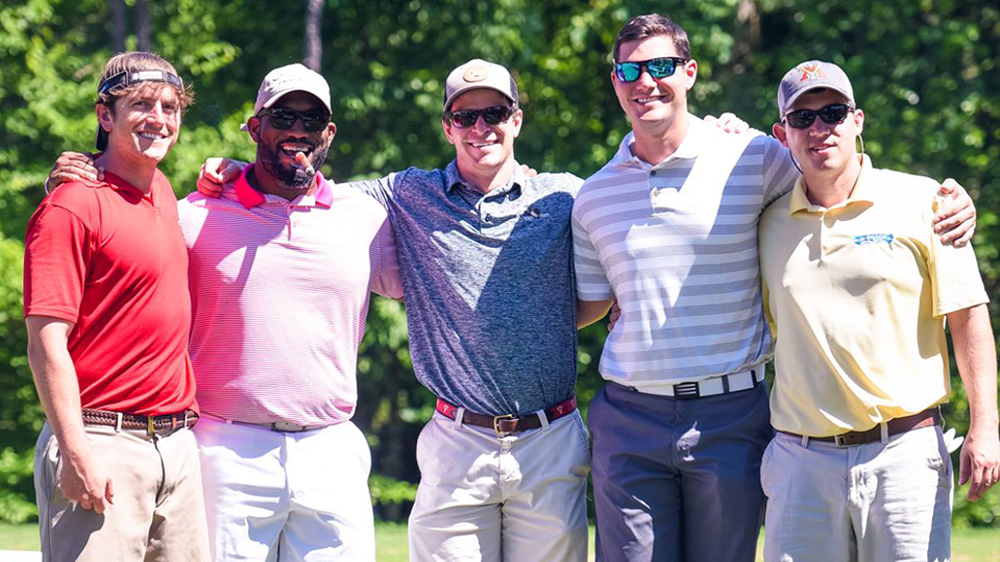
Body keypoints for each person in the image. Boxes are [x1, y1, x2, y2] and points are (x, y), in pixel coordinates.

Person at [570, 14, 978, 562]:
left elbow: (842, 179)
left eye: (661, 66)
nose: (646, 81)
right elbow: (594, 302)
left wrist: (951, 201)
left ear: (689, 72)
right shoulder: (593, 195)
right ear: (615, 81)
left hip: (734, 411)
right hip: (636, 414)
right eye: (630, 70)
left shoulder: (754, 158)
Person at [195, 58, 590, 562]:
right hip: (456, 441)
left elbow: (629, 228)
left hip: (551, 436)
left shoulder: (565, 195)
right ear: (447, 127)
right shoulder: (405, 194)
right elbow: (302, 186)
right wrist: (237, 170)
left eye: (493, 112)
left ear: (516, 120)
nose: (480, 128)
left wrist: (718, 134)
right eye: (465, 117)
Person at [46, 63, 403, 561]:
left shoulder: (365, 217)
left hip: (331, 447)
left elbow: (437, 281)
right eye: (283, 116)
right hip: (223, 448)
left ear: (329, 133)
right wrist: (75, 175)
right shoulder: (193, 213)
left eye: (312, 119)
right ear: (255, 127)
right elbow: (119, 221)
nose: (297, 130)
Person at [758, 60, 999, 562]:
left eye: (833, 113)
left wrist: (986, 426)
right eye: (802, 119)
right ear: (783, 133)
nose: (819, 129)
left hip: (904, 454)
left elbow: (968, 317)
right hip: (801, 461)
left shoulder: (925, 200)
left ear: (858, 120)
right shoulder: (764, 222)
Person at [24, 51, 209, 561]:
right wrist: (76, 449)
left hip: (176, 445)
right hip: (102, 439)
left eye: (171, 107)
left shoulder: (165, 191)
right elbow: (45, 342)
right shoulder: (69, 205)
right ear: (105, 116)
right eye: (142, 104)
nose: (159, 118)